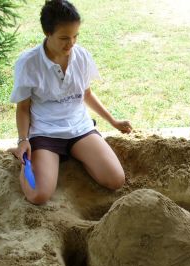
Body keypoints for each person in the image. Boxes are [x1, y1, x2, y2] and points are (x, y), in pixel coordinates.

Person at [10, 0, 132, 205]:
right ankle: (26, 155)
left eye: (75, 36)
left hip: (79, 128)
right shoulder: (28, 63)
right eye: (64, 38)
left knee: (116, 180)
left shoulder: (81, 56)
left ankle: (69, 153)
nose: (71, 44)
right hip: (45, 131)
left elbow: (86, 94)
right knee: (38, 195)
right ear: (47, 33)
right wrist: (23, 140)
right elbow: (23, 109)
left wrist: (114, 122)